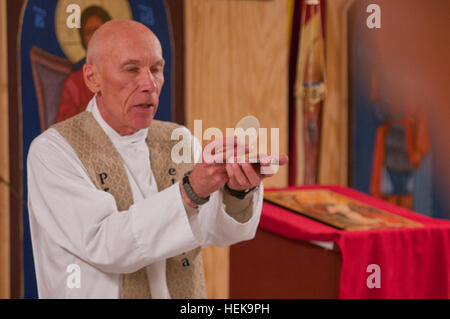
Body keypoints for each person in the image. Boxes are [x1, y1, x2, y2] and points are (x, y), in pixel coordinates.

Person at [27, 19, 288, 298]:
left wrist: (237, 190)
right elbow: (105, 244)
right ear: (93, 78)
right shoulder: (54, 151)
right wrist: (190, 192)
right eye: (131, 70)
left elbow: (215, 230)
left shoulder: (177, 139)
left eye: (156, 69)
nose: (149, 84)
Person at [55, 6, 111, 123]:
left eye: (98, 30)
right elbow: (64, 127)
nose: (94, 36)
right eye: (89, 32)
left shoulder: (125, 71)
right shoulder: (74, 82)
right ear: (82, 38)